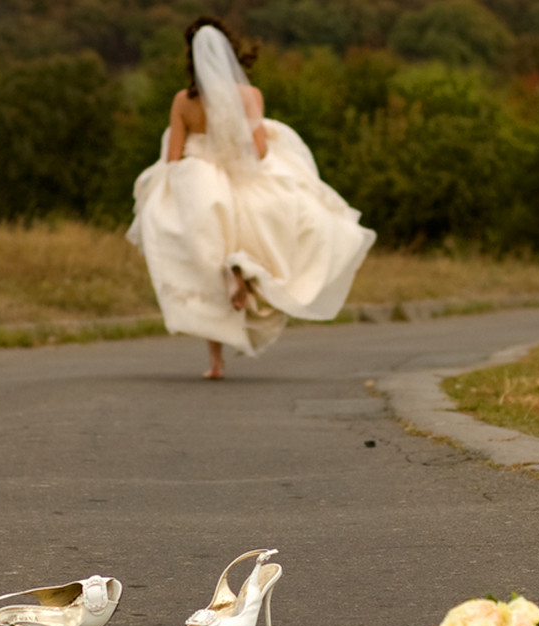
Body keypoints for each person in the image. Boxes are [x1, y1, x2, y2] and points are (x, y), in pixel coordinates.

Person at [128, 17, 376, 379]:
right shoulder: (249, 95)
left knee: (203, 271)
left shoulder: (183, 101)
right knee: (285, 237)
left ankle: (215, 361)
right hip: (246, 185)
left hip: (203, 186)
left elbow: (173, 159)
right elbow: (258, 152)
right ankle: (244, 268)